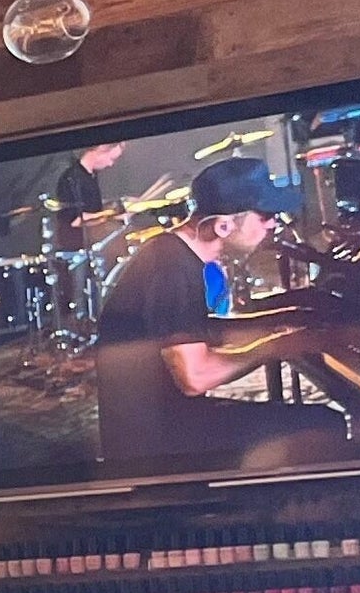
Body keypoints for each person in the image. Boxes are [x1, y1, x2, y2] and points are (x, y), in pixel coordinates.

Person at [92, 157, 339, 465]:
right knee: (323, 424)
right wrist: (277, 345)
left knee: (301, 420)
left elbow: (201, 330)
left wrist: (283, 318)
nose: (273, 223)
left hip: (157, 425)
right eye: (265, 215)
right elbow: (195, 377)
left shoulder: (170, 252)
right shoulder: (172, 268)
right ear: (223, 225)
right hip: (156, 443)